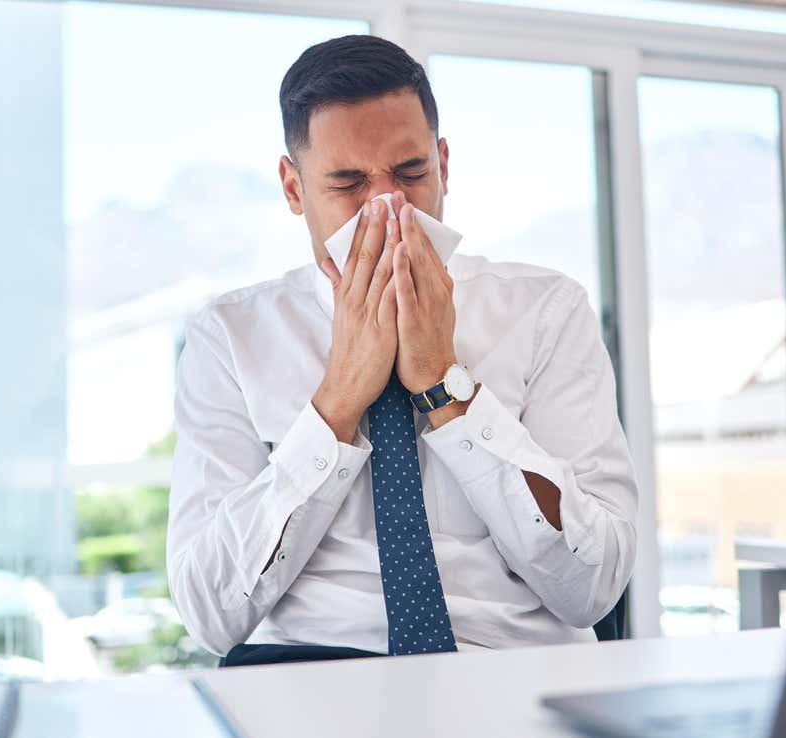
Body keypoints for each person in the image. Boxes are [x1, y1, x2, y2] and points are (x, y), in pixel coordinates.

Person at [166, 34, 639, 667]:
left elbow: (595, 586)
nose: (387, 207)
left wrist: (446, 387)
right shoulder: (229, 338)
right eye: (348, 182)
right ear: (293, 187)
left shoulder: (547, 311)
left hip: (515, 667)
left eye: (411, 173)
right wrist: (337, 400)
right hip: (311, 676)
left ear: (443, 163)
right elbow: (208, 615)